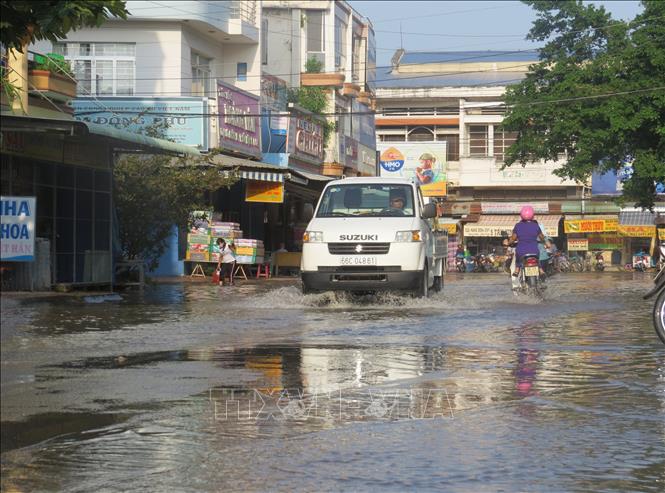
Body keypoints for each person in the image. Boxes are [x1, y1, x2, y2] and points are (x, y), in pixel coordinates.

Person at [507, 205, 545, 278]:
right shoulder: (536, 226)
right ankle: (541, 270)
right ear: (532, 215)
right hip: (534, 250)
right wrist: (543, 241)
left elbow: (513, 238)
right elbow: (542, 237)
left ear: (521, 215)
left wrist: (509, 242)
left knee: (518, 257)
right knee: (537, 259)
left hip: (521, 250)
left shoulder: (518, 225)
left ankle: (517, 270)